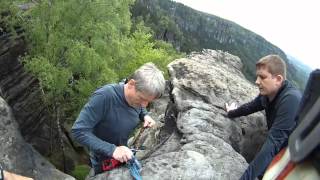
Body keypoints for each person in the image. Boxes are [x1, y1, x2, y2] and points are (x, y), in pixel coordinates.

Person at [71, 62, 165, 176]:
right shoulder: (105, 97)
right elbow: (78, 131)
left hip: (122, 156)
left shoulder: (136, 100)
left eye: (148, 102)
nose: (144, 105)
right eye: (142, 99)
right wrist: (113, 150)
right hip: (102, 161)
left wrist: (145, 115)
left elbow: (140, 108)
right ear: (131, 84)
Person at [225, 55, 301, 180]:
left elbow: (273, 145)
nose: (257, 81)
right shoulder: (269, 94)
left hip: (295, 157)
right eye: (257, 76)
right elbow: (250, 107)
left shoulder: (290, 100)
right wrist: (231, 113)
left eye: (262, 77)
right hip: (282, 148)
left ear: (278, 79)